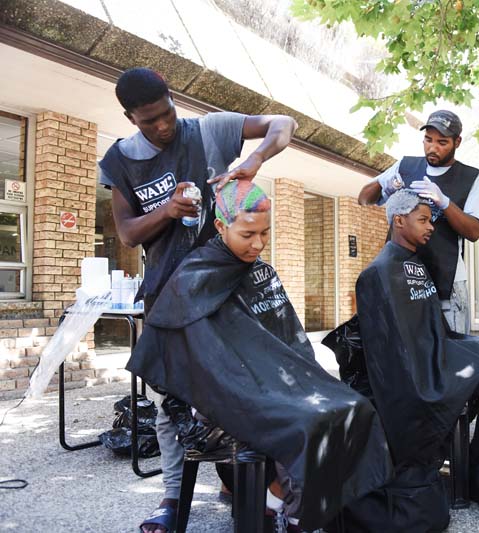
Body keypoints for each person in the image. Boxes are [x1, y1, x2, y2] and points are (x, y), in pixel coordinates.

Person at [98, 66, 298, 533]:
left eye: (166, 113)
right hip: (169, 295)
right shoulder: (121, 160)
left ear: (172, 96)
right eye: (149, 121)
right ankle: (172, 499)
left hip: (229, 292)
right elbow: (127, 234)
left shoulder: (210, 130)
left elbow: (283, 124)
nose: (163, 126)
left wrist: (257, 159)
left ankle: (251, 487)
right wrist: (167, 211)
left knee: (247, 391)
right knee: (172, 400)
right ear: (130, 117)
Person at [127, 180, 392, 532]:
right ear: (221, 226)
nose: (258, 244)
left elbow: (288, 340)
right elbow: (191, 355)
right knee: (306, 424)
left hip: (267, 382)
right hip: (222, 391)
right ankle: (289, 512)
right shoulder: (194, 276)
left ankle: (281, 499)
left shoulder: (261, 273)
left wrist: (300, 378)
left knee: (355, 407)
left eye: (265, 234)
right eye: (248, 234)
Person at [324, 190, 479, 532]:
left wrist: (458, 351)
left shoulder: (415, 263)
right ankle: (478, 462)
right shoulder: (378, 273)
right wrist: (440, 366)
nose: (431, 227)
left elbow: (432, 329)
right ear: (398, 221)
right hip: (416, 375)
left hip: (437, 357)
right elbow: (392, 349)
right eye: (423, 220)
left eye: (431, 220)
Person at [358, 110, 479, 333]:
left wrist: (445, 202)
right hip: (402, 277)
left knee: (453, 354)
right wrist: (386, 185)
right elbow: (364, 198)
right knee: (409, 350)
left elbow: (474, 231)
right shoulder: (406, 166)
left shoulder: (471, 178)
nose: (433, 148)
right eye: (428, 140)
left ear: (457, 142)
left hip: (447, 282)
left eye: (442, 142)